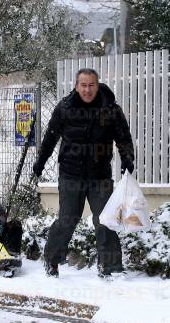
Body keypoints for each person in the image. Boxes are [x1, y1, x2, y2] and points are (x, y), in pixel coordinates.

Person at [32, 68, 135, 278]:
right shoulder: (65, 108)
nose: (87, 90)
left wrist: (127, 158)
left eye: (91, 85)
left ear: (98, 86)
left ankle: (110, 266)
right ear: (76, 86)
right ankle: (51, 259)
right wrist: (40, 162)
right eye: (83, 85)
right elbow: (50, 137)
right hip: (71, 174)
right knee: (67, 219)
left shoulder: (111, 109)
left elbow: (123, 137)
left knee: (105, 219)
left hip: (100, 175)